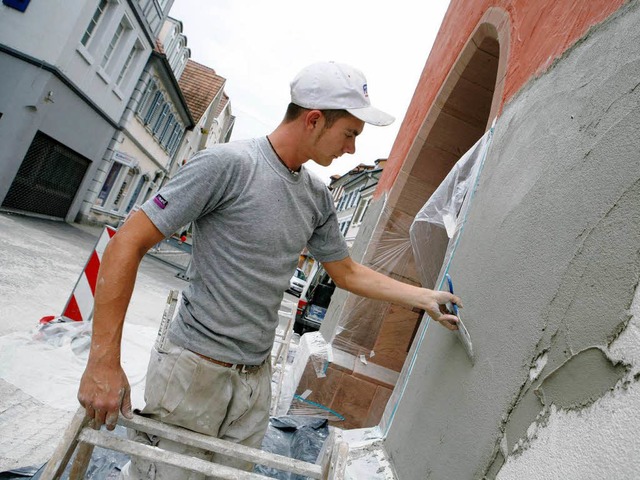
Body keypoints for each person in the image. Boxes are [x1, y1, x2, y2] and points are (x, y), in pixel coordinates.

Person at [77, 61, 462, 478]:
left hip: (253, 384)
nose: (351, 148)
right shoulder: (227, 165)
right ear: (314, 119)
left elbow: (347, 272)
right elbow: (125, 244)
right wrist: (102, 362)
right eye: (349, 134)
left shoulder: (316, 196)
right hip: (192, 373)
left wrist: (424, 297)